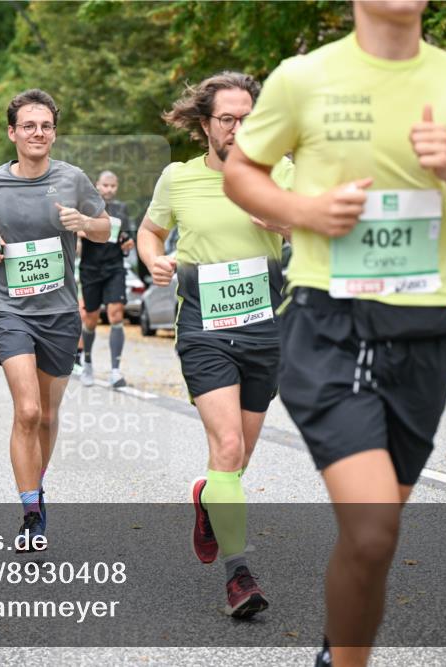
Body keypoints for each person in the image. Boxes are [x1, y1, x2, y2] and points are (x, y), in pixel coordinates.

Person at [223, 2, 446, 664]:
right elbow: (241, 170)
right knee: (373, 529)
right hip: (331, 324)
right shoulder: (303, 77)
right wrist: (305, 210)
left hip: (425, 333)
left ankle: (337, 651)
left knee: (374, 541)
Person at [138, 71, 291, 619]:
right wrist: (153, 259)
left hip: (264, 328)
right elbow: (151, 231)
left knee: (237, 459)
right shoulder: (178, 178)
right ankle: (239, 576)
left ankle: (208, 496)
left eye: (249, 118)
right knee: (227, 446)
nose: (239, 129)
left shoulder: (281, 172)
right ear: (205, 124)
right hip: (204, 329)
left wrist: (281, 222)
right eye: (228, 119)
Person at [0, 88, 110, 550]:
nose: (38, 132)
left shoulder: (73, 178)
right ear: (12, 133)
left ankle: (36, 483)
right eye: (29, 125)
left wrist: (84, 224)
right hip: (9, 307)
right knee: (28, 410)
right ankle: (31, 511)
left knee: (48, 416)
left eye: (46, 126)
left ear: (54, 132)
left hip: (59, 312)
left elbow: (106, 227)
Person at [79, 171, 136, 389]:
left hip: (114, 267)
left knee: (116, 313)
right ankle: (87, 363)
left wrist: (128, 242)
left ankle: (115, 371)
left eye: (113, 186)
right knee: (91, 319)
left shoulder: (121, 209)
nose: (109, 189)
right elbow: (75, 231)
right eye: (105, 185)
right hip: (90, 269)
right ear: (97, 185)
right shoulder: (86, 207)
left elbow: (127, 237)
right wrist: (86, 230)